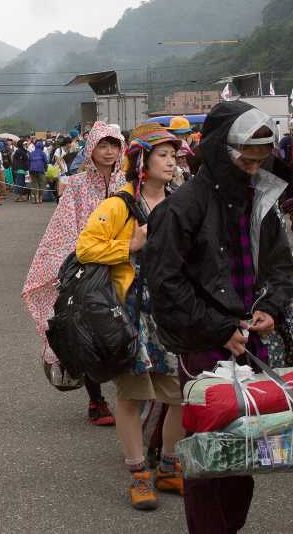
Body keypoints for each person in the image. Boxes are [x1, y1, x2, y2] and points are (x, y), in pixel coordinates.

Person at [144, 101, 293, 533]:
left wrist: (271, 308)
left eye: (259, 159)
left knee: (243, 456)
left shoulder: (261, 199)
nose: (252, 168)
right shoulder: (182, 206)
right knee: (211, 457)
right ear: (216, 149)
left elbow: (282, 268)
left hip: (250, 342)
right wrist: (218, 328)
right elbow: (165, 284)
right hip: (204, 349)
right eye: (244, 158)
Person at [76, 124, 186, 511]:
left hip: (173, 316)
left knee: (180, 395)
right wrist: (130, 244)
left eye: (175, 155)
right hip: (131, 315)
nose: (172, 161)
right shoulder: (118, 205)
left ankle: (170, 466)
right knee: (132, 397)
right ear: (141, 161)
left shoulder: (181, 201)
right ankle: (140, 475)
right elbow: (86, 247)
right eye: (163, 155)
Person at [22, 121, 126, 427]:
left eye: (114, 146)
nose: (108, 152)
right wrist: (73, 262)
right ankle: (96, 399)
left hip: (124, 266)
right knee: (90, 332)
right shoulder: (77, 186)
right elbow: (64, 228)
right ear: (91, 150)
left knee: (128, 329)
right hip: (88, 269)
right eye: (102, 146)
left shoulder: (126, 183)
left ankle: (131, 398)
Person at [29, 138, 48, 203]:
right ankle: (40, 199)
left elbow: (29, 162)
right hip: (41, 170)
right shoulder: (43, 153)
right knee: (42, 184)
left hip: (32, 170)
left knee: (34, 184)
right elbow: (46, 162)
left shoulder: (31, 153)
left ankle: (36, 199)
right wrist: (46, 169)